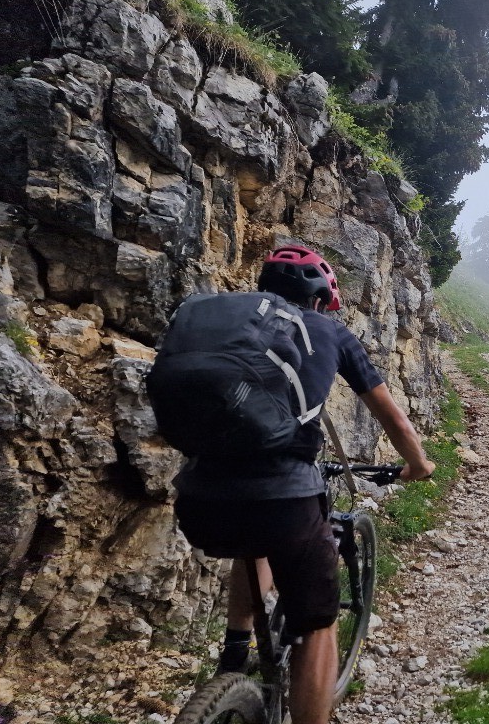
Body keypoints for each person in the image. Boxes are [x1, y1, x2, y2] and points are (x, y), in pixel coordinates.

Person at [173, 244, 436, 724]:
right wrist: (418, 465)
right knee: (317, 623)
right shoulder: (330, 331)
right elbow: (392, 417)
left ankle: (235, 649)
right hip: (285, 497)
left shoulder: (229, 326)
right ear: (320, 298)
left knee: (251, 544)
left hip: (197, 497)